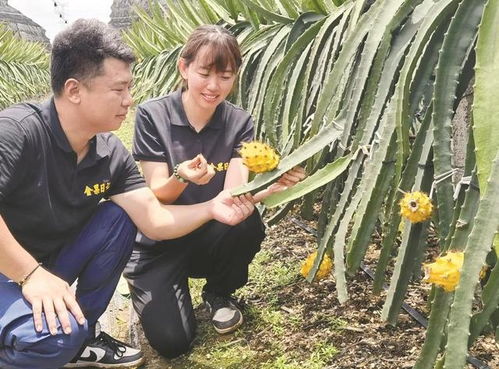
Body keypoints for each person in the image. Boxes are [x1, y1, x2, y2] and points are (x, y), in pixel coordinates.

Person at [0, 19, 258, 369]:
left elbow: (153, 218)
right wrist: (30, 274)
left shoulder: (109, 152)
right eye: (119, 89)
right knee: (50, 338)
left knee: (119, 217)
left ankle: (84, 334)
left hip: (48, 261)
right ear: (75, 90)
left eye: (129, 88)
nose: (129, 100)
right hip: (12, 268)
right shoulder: (16, 132)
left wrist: (214, 207)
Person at [124, 24, 306, 359]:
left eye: (225, 76)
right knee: (172, 344)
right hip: (160, 243)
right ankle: (148, 286)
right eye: (205, 73)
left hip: (206, 233)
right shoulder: (154, 115)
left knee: (246, 221)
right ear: (184, 68)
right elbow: (158, 196)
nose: (213, 86)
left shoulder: (238, 121)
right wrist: (183, 176)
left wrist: (272, 187)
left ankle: (219, 293)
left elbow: (234, 196)